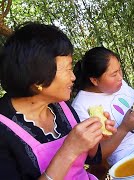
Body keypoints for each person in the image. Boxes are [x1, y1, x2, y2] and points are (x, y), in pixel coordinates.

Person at [0, 23, 117, 180]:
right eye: (68, 69)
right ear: (39, 80)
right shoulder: (4, 131)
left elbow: (90, 158)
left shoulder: (61, 106)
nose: (73, 77)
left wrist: (94, 138)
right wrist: (68, 151)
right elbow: (72, 152)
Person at [72, 47, 134, 166]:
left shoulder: (119, 84)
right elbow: (97, 155)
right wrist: (124, 128)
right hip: (128, 158)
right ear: (95, 81)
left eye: (120, 70)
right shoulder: (81, 105)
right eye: (114, 74)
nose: (120, 77)